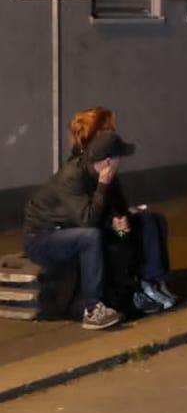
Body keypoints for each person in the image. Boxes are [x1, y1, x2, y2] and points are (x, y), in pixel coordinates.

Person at [65, 108, 176, 316]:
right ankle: (144, 286)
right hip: (100, 227)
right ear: (99, 133)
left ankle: (154, 280)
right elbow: (87, 210)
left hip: (110, 219)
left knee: (154, 219)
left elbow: (112, 198)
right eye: (109, 128)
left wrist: (124, 211)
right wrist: (115, 218)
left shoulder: (102, 158)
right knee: (135, 230)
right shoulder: (82, 168)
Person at [23, 129, 136, 330]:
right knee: (90, 236)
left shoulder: (95, 175)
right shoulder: (73, 176)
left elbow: (100, 213)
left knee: (115, 236)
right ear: (108, 162)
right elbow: (87, 220)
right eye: (119, 159)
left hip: (64, 232)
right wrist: (103, 186)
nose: (121, 164)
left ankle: (133, 293)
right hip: (40, 238)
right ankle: (93, 310)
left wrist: (117, 224)